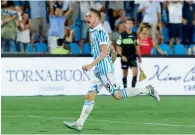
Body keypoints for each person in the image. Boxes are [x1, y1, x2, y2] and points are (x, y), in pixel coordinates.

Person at [63, 8, 160, 132]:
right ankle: (79, 123)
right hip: (99, 70)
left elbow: (104, 53)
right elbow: (109, 48)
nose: (87, 18)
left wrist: (91, 65)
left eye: (90, 16)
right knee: (90, 95)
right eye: (86, 16)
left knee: (117, 95)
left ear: (97, 19)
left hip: (103, 70)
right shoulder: (94, 32)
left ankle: (147, 90)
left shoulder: (100, 32)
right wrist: (113, 52)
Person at [116, 19, 141, 88]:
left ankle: (133, 89)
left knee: (135, 73)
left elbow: (137, 46)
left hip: (133, 56)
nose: (129, 25)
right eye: (128, 24)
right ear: (125, 25)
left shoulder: (135, 35)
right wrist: (121, 56)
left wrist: (139, 56)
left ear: (132, 25)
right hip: (125, 57)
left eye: (130, 24)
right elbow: (118, 47)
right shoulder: (122, 35)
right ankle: (125, 88)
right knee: (125, 73)